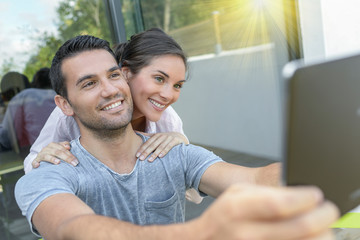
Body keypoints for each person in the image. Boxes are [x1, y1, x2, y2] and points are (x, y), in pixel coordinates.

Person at [15, 35, 339, 240]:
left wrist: (326, 167)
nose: (110, 89)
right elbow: (73, 228)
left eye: (113, 75)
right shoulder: (49, 173)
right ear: (64, 104)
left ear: (124, 77)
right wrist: (203, 232)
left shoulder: (171, 146)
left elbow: (254, 179)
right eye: (89, 83)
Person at [23, 28, 201, 203]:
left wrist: (182, 148)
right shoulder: (71, 113)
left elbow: (194, 194)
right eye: (159, 79)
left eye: (178, 86)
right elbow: (33, 166)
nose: (168, 95)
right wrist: (44, 158)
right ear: (126, 73)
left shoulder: (167, 119)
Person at [0, 68, 56, 153]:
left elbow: (6, 139)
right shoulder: (61, 96)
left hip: (42, 157)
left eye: (6, 95)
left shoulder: (23, 97)